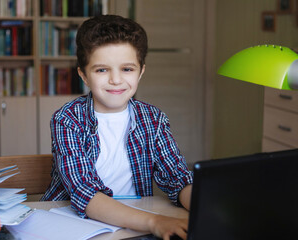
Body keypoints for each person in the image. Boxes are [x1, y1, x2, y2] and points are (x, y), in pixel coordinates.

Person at [41, 14, 193, 240]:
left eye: (127, 69)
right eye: (102, 70)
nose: (116, 80)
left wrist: (209, 209)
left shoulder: (153, 119)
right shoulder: (68, 120)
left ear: (141, 71)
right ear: (83, 74)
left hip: (132, 227)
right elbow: (86, 193)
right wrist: (155, 221)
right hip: (73, 226)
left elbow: (178, 179)